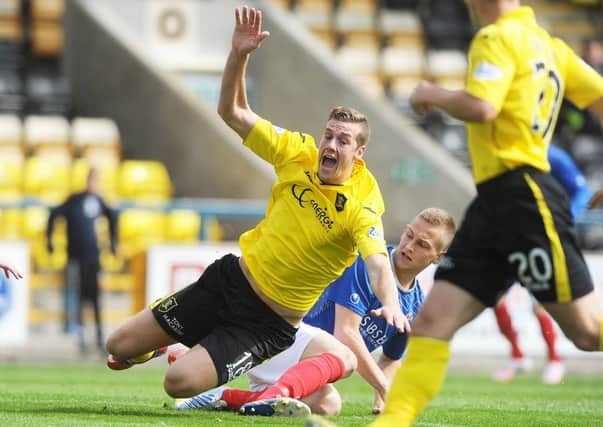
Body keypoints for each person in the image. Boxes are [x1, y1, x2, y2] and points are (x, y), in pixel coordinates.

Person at [105, 5, 407, 408]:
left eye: (343, 140)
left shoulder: (362, 203)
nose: (330, 146)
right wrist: (239, 55)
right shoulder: (297, 153)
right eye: (328, 136)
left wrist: (389, 302)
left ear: (360, 152)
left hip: (267, 324)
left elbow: (378, 263)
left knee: (177, 383)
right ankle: (159, 344)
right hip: (229, 281)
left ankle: (209, 369)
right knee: (117, 344)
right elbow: (232, 112)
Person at [350, 1, 603, 426]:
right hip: (494, 204)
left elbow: (482, 106)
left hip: (523, 197)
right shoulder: (550, 46)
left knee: (587, 331)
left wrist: (430, 93)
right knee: (431, 320)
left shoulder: (496, 38)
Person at [173, 208, 456, 417]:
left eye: (422, 245)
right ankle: (271, 393)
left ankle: (226, 397)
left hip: (302, 367)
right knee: (341, 355)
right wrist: (386, 388)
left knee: (328, 405)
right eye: (409, 235)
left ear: (437, 257)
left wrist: (381, 398)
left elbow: (392, 358)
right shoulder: (370, 263)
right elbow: (345, 334)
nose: (409, 246)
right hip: (279, 337)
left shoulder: (414, 303)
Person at [492, 144, 593, 384]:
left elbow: (582, 191)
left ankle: (555, 360)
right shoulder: (502, 152)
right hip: (510, 235)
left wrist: (563, 219)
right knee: (495, 297)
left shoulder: (552, 155)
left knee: (542, 303)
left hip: (544, 238)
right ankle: (517, 355)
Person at [47, 168, 117, 353]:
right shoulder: (74, 200)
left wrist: (113, 243)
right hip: (75, 257)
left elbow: (113, 218)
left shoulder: (99, 202)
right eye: (92, 181)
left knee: (95, 297)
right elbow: (54, 215)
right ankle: (82, 338)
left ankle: (99, 336)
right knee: (78, 296)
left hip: (93, 257)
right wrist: (50, 241)